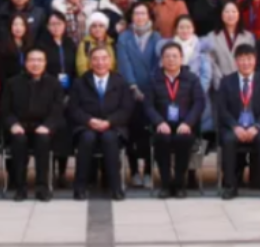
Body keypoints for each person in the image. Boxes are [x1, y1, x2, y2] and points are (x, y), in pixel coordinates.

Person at [139, 42, 205, 199]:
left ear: (181, 58)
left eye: (175, 56)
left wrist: (188, 123)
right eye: (167, 56)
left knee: (183, 140)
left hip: (185, 125)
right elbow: (148, 105)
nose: (171, 60)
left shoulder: (192, 79)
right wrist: (159, 122)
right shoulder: (153, 79)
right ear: (162, 60)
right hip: (162, 124)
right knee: (162, 140)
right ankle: (166, 184)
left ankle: (180, 184)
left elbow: (199, 103)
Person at [69, 46, 134, 201]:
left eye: (104, 58)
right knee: (87, 138)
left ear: (110, 61)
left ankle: (115, 188)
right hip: (86, 126)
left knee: (109, 138)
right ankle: (80, 187)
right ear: (90, 62)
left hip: (114, 126)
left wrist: (109, 121)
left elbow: (126, 109)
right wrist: (89, 120)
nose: (100, 63)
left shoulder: (120, 82)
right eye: (96, 59)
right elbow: (73, 108)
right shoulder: (80, 82)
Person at [214, 45, 260, 201]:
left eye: (249, 59)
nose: (246, 63)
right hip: (234, 126)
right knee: (228, 140)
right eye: (242, 59)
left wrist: (257, 127)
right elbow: (221, 109)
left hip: (257, 126)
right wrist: (235, 127)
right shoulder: (226, 81)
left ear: (255, 60)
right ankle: (230, 185)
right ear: (236, 61)